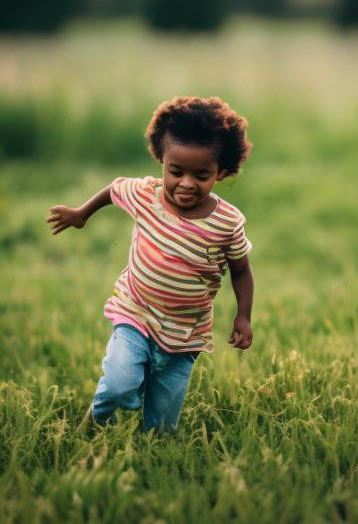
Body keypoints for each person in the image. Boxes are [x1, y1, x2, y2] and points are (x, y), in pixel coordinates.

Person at [47, 96, 254, 433]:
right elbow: (114, 190)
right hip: (136, 313)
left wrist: (243, 316)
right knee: (118, 384)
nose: (186, 183)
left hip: (185, 333)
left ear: (223, 171)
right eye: (176, 171)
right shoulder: (146, 195)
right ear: (161, 160)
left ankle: (153, 454)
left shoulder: (227, 222)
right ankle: (90, 429)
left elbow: (241, 271)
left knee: (161, 427)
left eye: (201, 175)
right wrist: (81, 213)